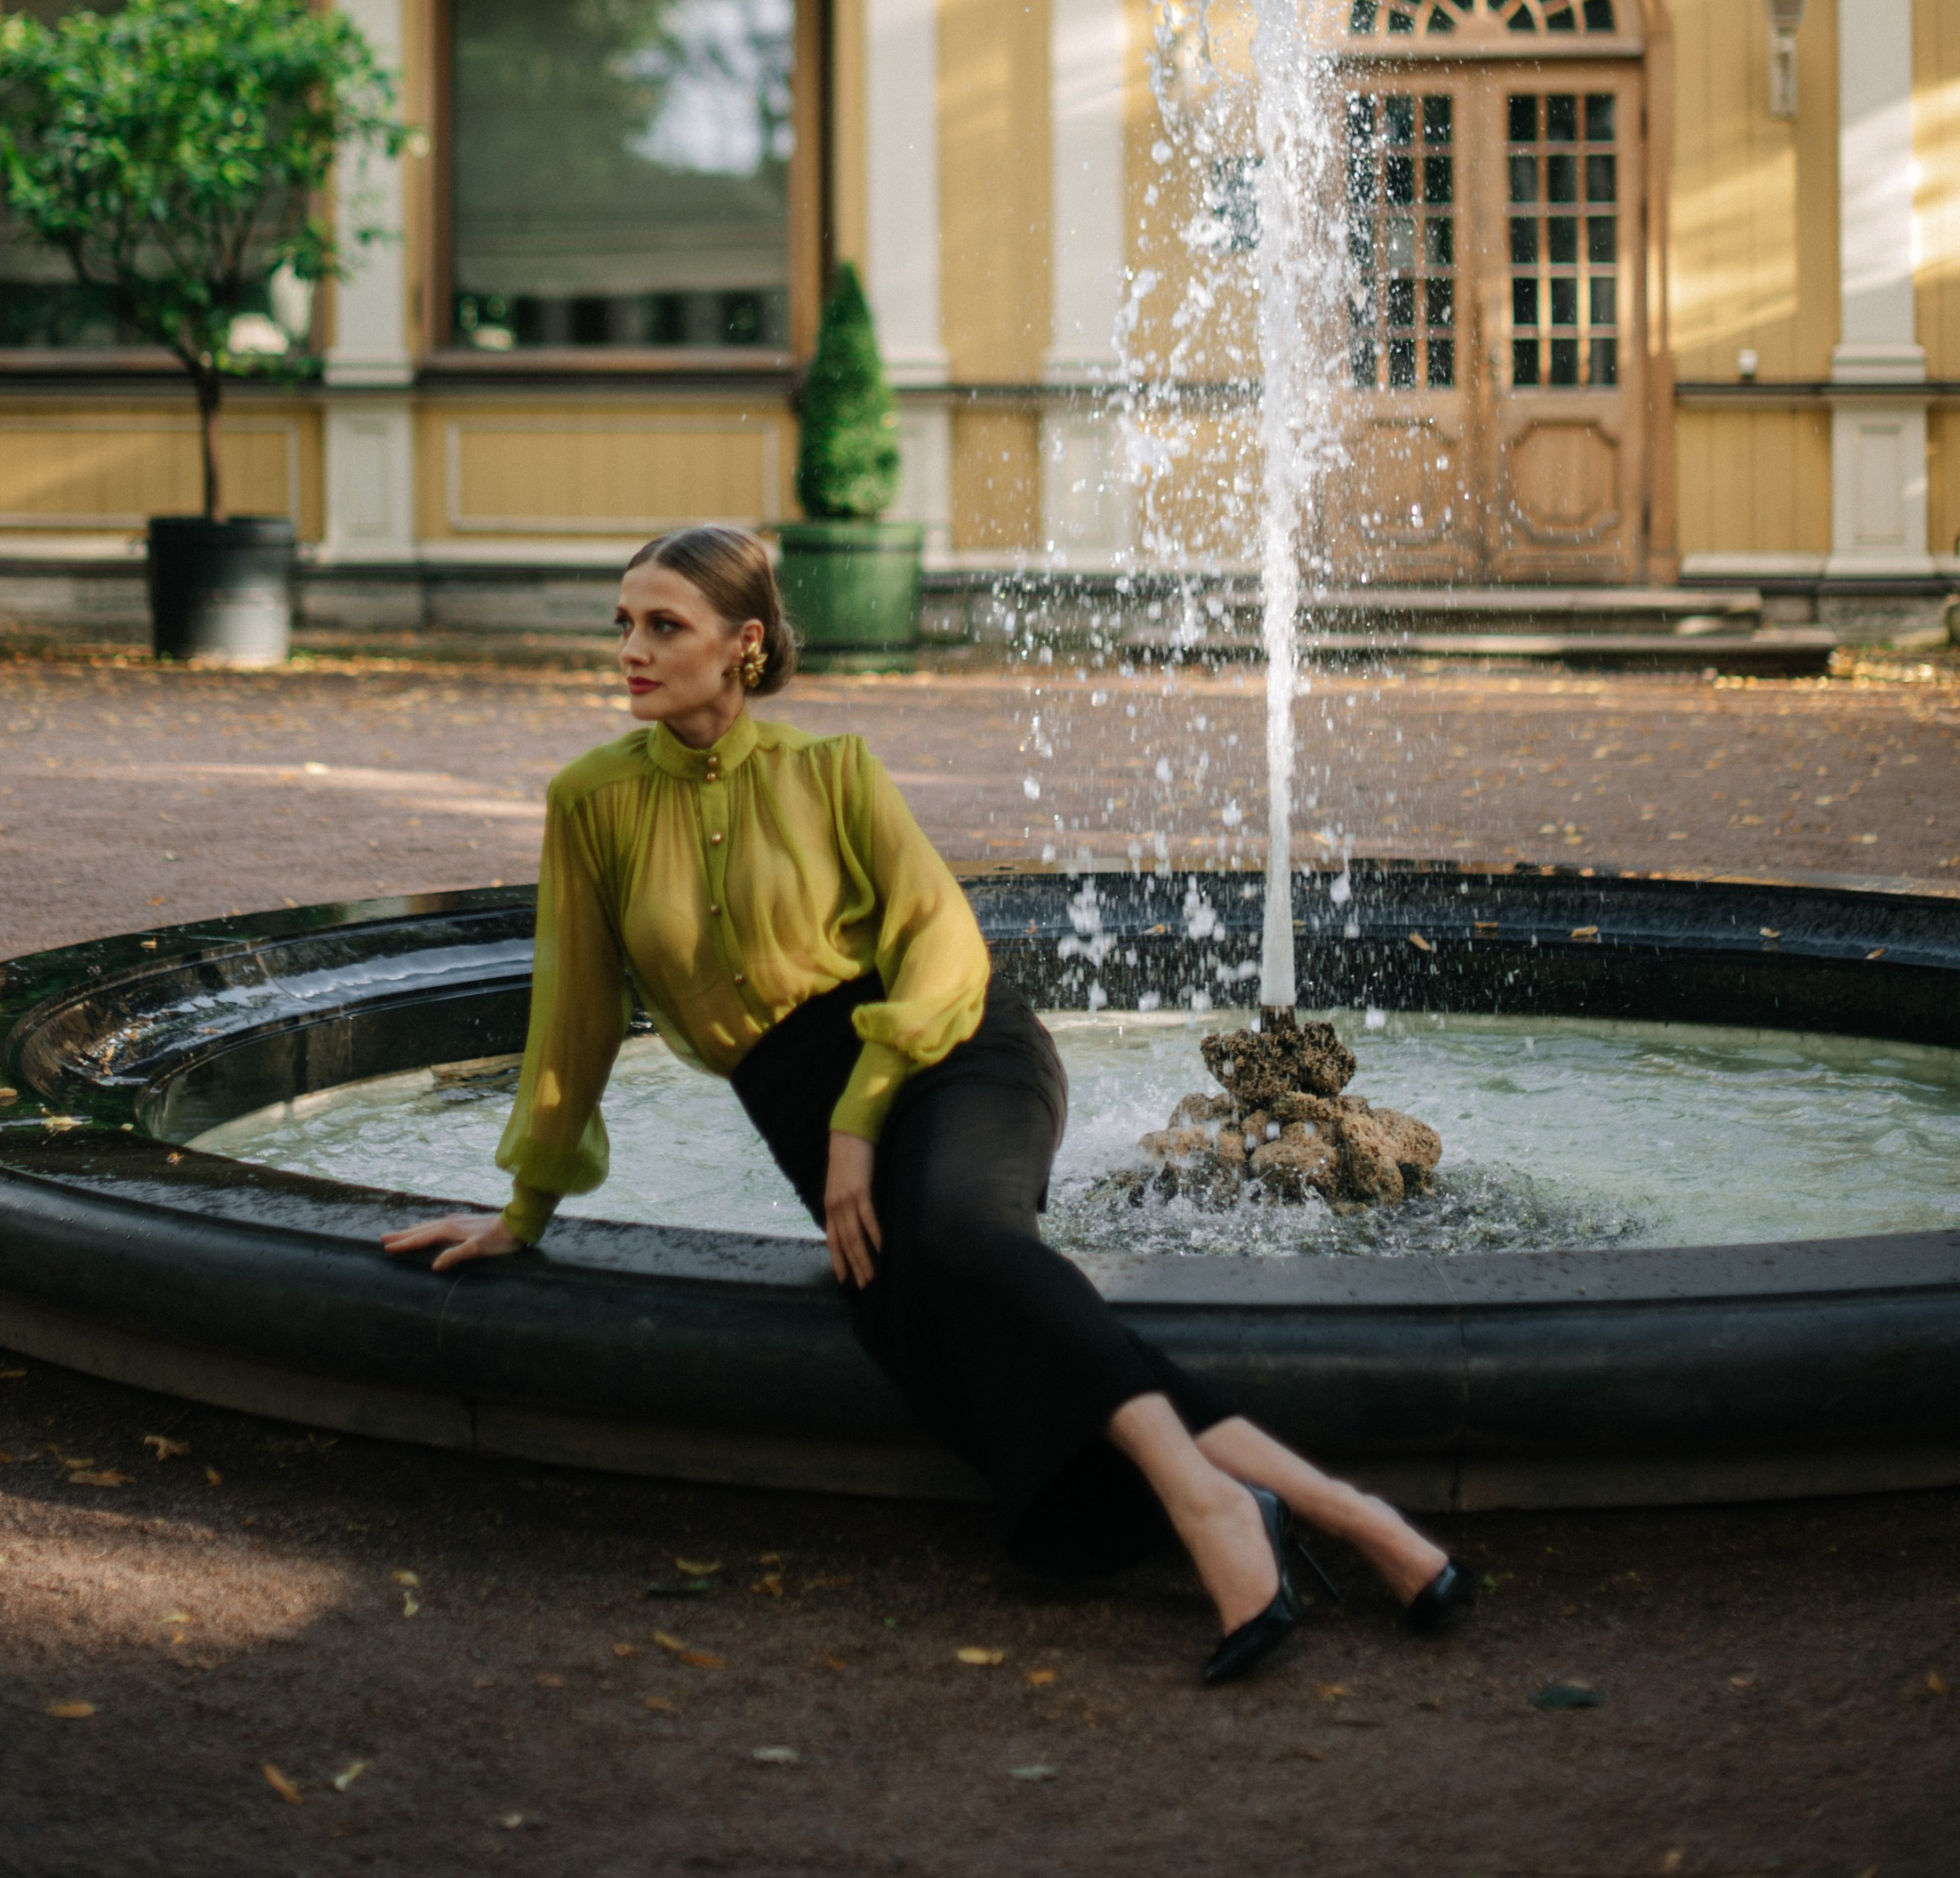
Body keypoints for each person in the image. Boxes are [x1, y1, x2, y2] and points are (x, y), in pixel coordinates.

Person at [382, 523, 1464, 1683]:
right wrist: (526, 1207)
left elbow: (944, 952)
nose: (632, 651)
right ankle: (1344, 1516)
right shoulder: (588, 805)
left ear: (742, 645)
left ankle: (1208, 1505)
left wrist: (861, 1119)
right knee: (947, 1309)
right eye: (624, 624)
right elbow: (575, 1018)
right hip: (802, 1115)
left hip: (957, 1052)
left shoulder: (831, 770)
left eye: (664, 626)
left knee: (957, 1238)